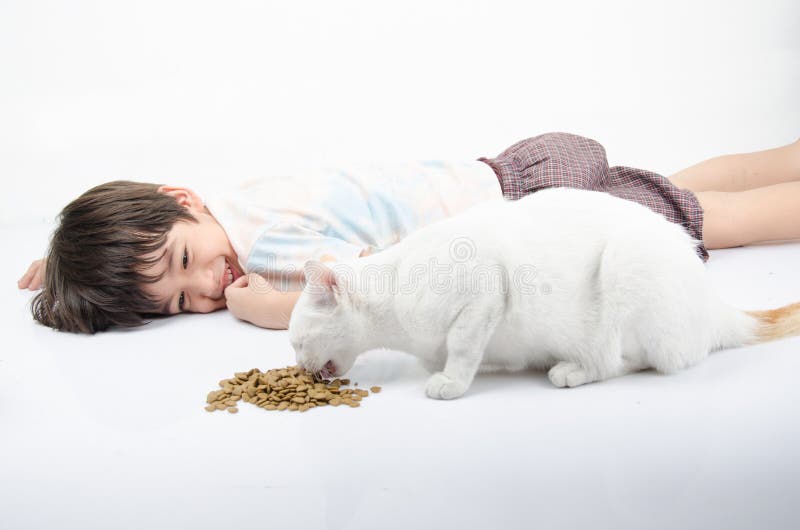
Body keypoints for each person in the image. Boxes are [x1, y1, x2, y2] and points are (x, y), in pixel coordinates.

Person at [17, 132, 800, 334]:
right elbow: (145, 239)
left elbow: (364, 287)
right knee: (675, 185)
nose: (208, 284)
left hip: (530, 211)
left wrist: (272, 309)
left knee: (710, 222)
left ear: (180, 199)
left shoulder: (266, 245)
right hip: (515, 169)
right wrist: (72, 266)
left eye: (187, 261)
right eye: (182, 302)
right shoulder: (229, 203)